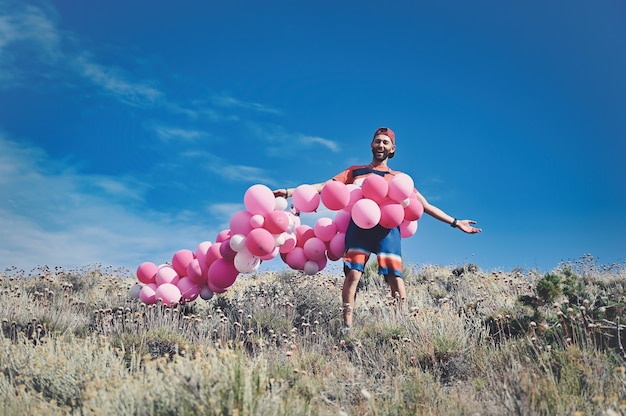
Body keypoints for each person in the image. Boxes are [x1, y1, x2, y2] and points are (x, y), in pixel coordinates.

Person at [273, 127, 482, 330]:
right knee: (353, 275)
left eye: (385, 142)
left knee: (394, 276)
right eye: (377, 141)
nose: (380, 145)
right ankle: (347, 326)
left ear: (392, 149)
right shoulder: (355, 171)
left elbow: (425, 206)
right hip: (358, 228)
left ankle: (400, 326)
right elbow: (324, 186)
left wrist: (456, 223)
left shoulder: (399, 178)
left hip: (388, 230)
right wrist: (288, 192)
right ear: (371, 145)